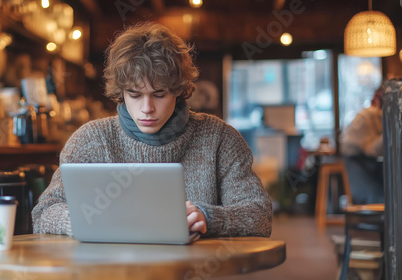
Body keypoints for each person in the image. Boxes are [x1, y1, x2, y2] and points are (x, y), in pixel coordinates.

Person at [32, 22, 272, 238]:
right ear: (122, 92)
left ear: (178, 90)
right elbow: (43, 213)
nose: (146, 108)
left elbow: (260, 215)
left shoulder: (220, 139)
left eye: (159, 94)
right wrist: (82, 221)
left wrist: (209, 217)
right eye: (135, 94)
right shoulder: (89, 140)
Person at [340, 87, 384, 204]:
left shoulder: (372, 114)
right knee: (377, 197)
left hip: (364, 160)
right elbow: (371, 149)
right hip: (356, 161)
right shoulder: (370, 115)